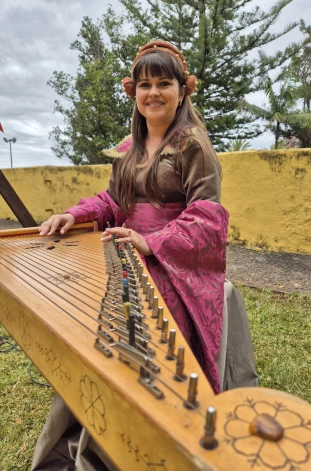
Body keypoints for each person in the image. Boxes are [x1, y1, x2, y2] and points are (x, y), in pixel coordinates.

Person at [33, 40, 257, 471]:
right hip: (127, 253)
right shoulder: (128, 148)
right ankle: (103, 418)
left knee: (144, 324)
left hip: (169, 258)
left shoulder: (194, 144)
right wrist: (74, 213)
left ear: (183, 89)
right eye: (145, 84)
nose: (153, 93)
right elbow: (112, 201)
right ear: (133, 91)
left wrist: (151, 241)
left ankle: (158, 421)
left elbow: (206, 218)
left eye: (164, 83)